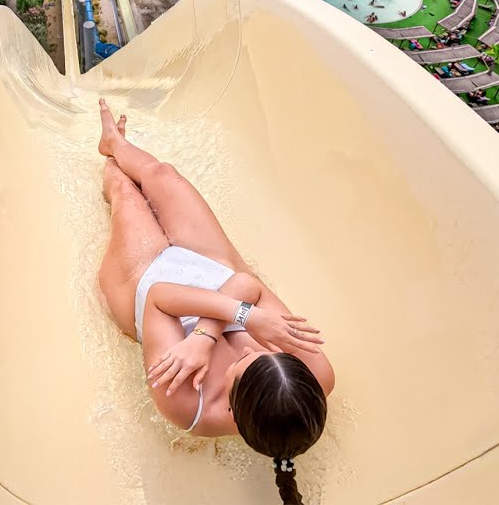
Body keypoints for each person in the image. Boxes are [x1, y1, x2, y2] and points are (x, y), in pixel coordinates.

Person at [95, 100, 334, 503]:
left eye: (243, 363)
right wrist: (212, 333)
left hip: (142, 284)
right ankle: (112, 141)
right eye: (267, 353)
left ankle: (112, 165)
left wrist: (230, 322)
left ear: (235, 410)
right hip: (213, 267)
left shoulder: (190, 403)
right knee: (162, 175)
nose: (251, 350)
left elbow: (160, 298)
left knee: (127, 195)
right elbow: (242, 283)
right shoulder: (313, 373)